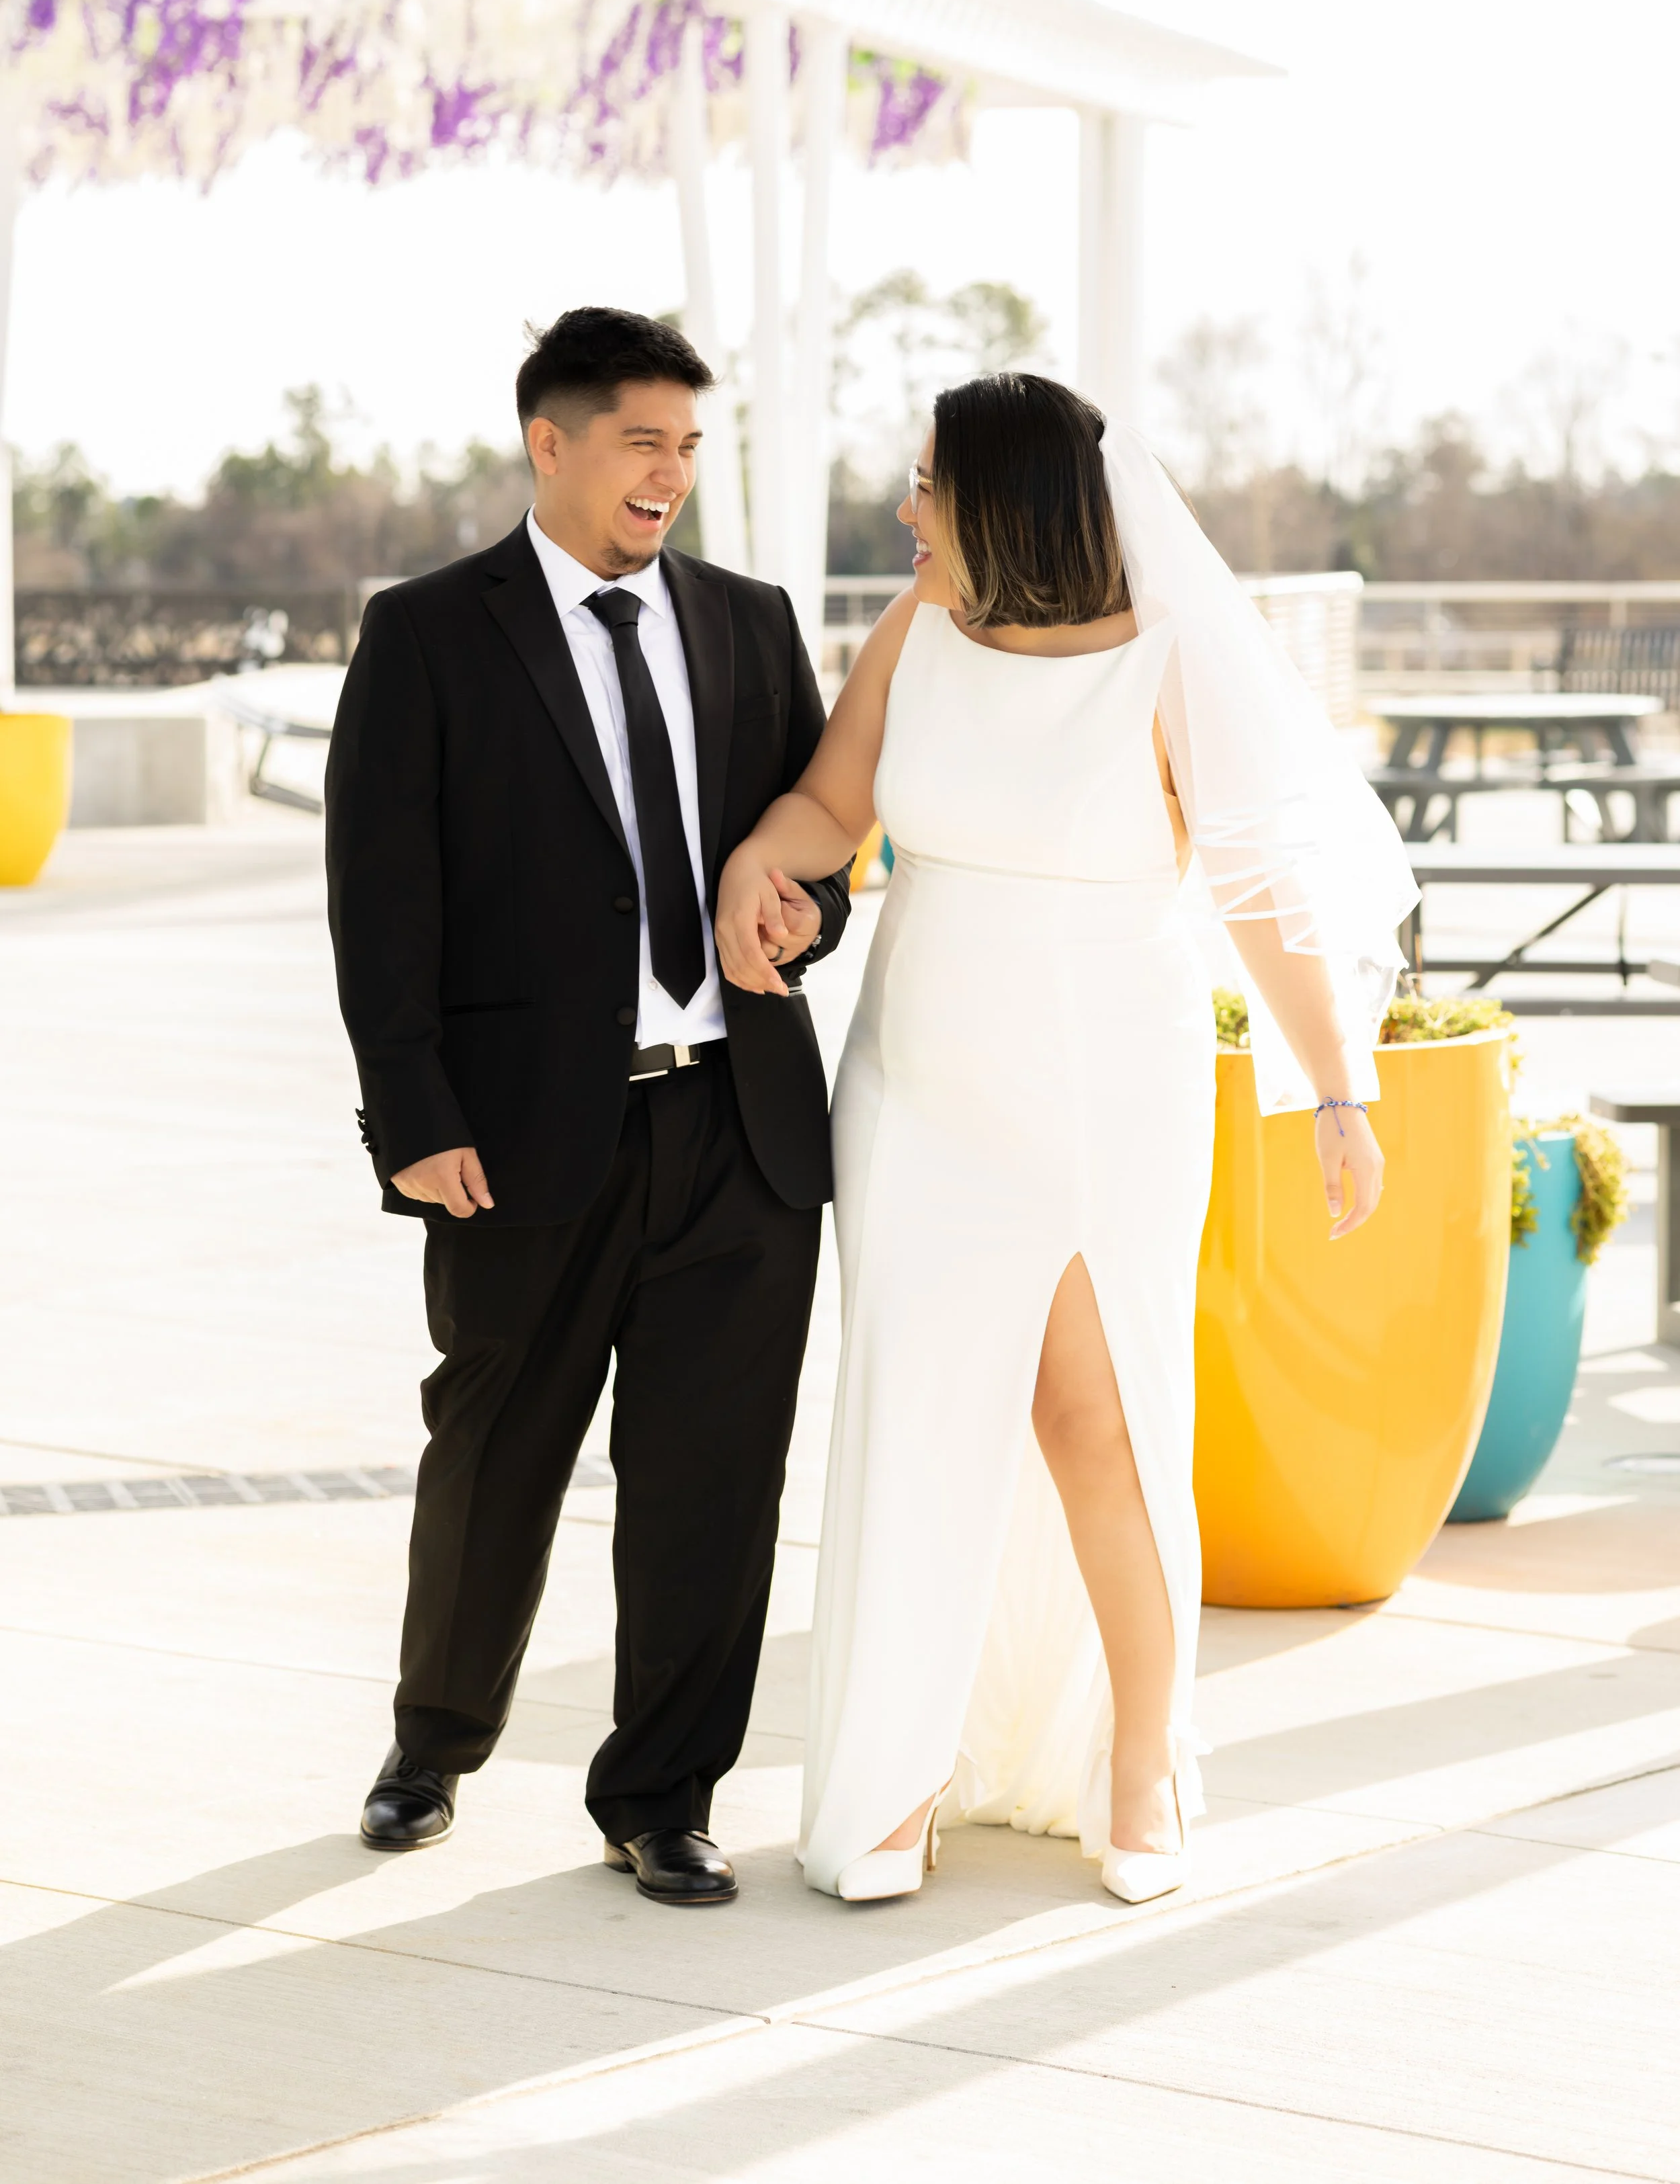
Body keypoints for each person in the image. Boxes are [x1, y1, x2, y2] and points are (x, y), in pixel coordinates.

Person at [716, 374, 1417, 1905]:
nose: (902, 512)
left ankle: (1141, 1757)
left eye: (923, 486)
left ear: (1003, 501)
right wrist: (757, 865)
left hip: (1110, 1078)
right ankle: (894, 1773)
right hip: (916, 1081)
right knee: (918, 1412)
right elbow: (834, 802)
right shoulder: (914, 634)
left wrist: (1337, 1093)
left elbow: (1252, 890)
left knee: (1096, 1423)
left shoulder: (1163, 665)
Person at [325, 306, 850, 1907]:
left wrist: (803, 915)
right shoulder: (426, 632)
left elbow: (814, 846)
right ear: (548, 443)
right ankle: (434, 1741)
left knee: (713, 1476)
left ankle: (661, 1792)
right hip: (519, 1137)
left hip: (737, 1128)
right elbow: (379, 897)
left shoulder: (753, 623)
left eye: (689, 446)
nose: (670, 474)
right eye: (642, 441)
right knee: (494, 1446)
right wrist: (412, 1115)